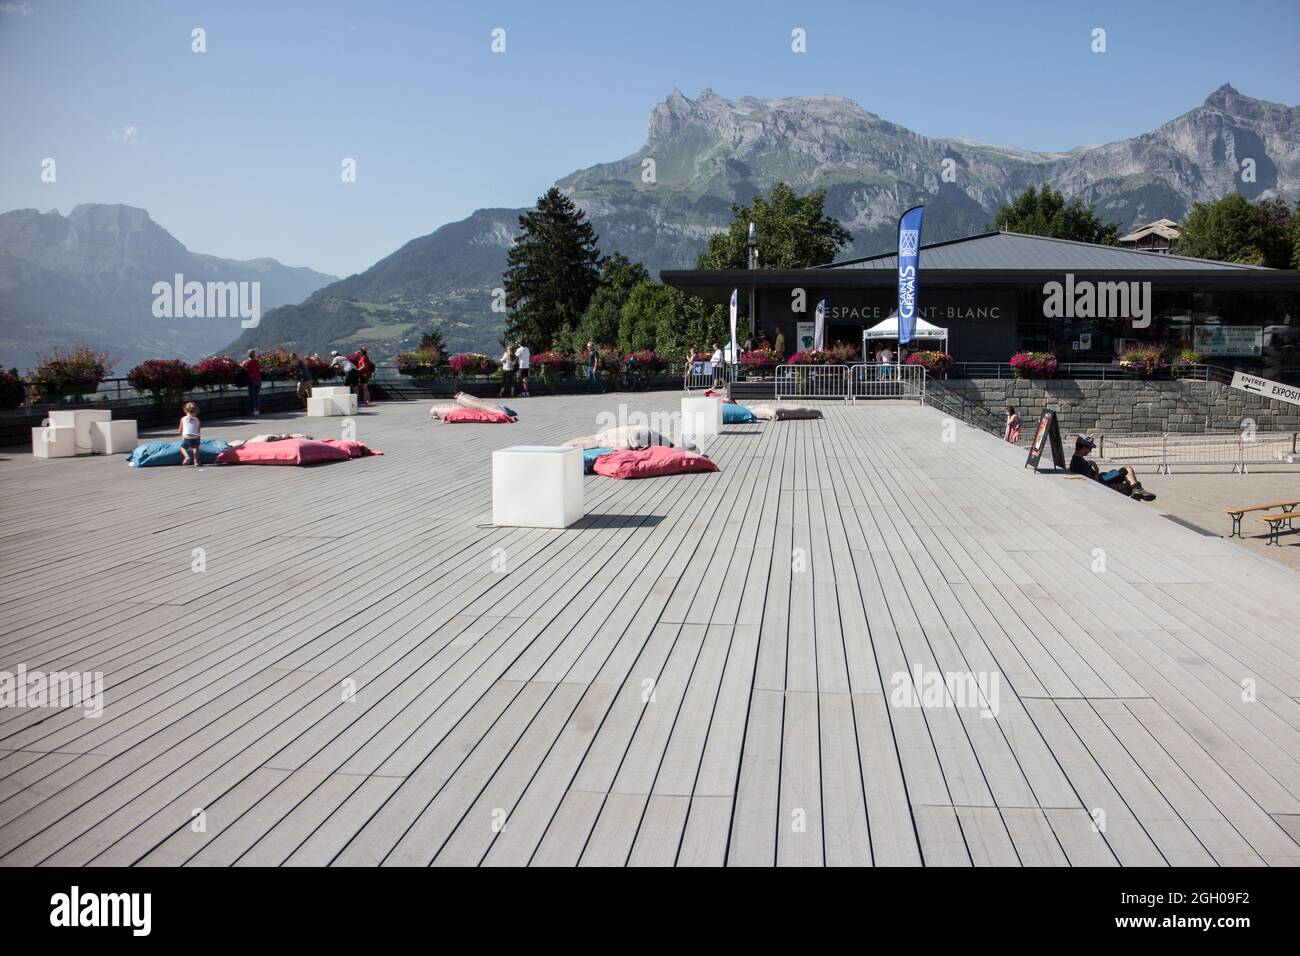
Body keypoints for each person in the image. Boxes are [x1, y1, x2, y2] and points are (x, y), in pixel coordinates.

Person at [1069, 435, 1156, 501]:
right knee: (1129, 486)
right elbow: (1094, 483)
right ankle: (1137, 490)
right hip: (1103, 482)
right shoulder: (1080, 463)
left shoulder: (1076, 460)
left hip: (1104, 478)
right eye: (1090, 448)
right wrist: (1096, 470)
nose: (1090, 451)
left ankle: (1137, 489)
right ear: (1084, 447)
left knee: (1127, 469)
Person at [179, 401, 201, 467]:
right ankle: (196, 461)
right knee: (195, 448)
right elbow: (198, 430)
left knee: (182, 447)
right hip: (196, 436)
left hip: (187, 436)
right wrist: (198, 437)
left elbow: (180, 429)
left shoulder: (183, 419)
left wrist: (182, 435)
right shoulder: (197, 419)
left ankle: (186, 457)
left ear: (185, 410)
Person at [241, 350, 261, 416]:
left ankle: (253, 411)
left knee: (252, 396)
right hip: (258, 380)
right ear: (254, 355)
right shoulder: (257, 362)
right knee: (257, 395)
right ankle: (257, 410)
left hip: (252, 380)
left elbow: (243, 367)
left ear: (248, 355)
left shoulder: (248, 362)